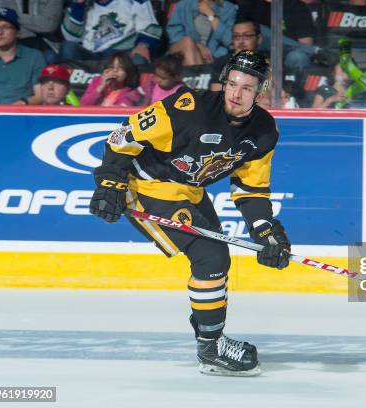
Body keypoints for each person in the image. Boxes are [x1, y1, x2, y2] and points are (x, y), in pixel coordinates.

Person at [88, 51, 290, 376]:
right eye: (233, 84)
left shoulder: (264, 131)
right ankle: (211, 347)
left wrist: (265, 232)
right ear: (224, 82)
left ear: (260, 90)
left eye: (247, 88)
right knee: (211, 258)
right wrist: (110, 183)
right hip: (145, 187)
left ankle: (209, 335)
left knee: (215, 260)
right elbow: (123, 136)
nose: (236, 94)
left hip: (190, 191)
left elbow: (250, 189)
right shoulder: (189, 108)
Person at [60, 0, 162, 66]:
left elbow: (151, 26)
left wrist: (143, 44)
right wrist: (78, 6)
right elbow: (71, 38)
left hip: (122, 54)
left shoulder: (135, 1)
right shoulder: (81, 5)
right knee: (68, 48)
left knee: (139, 60)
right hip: (89, 54)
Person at [0, 7, 45, 104]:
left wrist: (25, 102)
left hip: (20, 114)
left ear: (17, 33)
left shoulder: (34, 57)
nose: (0, 32)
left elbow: (40, 95)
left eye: (5, 27)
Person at [166, 0, 236, 66]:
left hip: (212, 55)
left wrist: (210, 14)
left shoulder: (228, 9)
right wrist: (197, 47)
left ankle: (195, 75)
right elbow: (173, 33)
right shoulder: (183, 5)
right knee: (188, 41)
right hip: (181, 50)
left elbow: (229, 40)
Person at [0, 0, 64, 63]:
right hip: (13, 41)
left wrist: (14, 16)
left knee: (49, 58)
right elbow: (1, 21)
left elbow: (48, 25)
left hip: (42, 41)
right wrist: (35, 23)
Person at [209, 17, 262, 91]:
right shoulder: (221, 63)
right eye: (236, 36)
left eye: (247, 36)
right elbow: (216, 90)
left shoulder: (270, 63)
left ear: (259, 39)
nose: (241, 41)